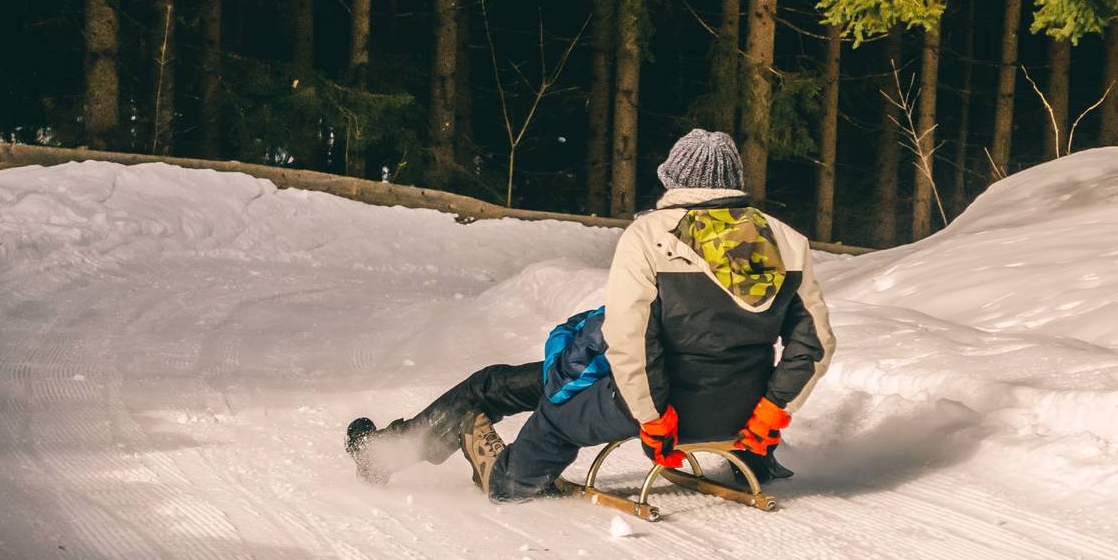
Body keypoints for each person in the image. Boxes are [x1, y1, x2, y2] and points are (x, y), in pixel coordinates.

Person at [345, 129, 833, 500]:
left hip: (657, 408)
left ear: (676, 182)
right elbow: (815, 344)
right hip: (742, 416)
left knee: (547, 413)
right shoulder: (787, 241)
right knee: (501, 381)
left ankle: (504, 476)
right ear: (733, 183)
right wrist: (771, 412)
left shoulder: (651, 236)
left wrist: (655, 418)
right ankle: (400, 444)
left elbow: (631, 340)